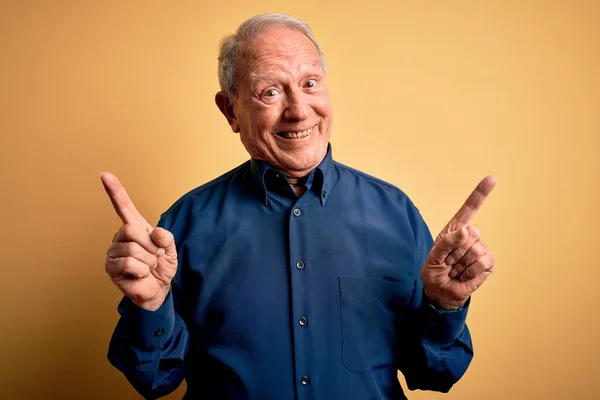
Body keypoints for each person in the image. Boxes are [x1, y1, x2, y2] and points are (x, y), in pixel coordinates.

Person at [101, 13, 496, 400]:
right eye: (270, 92)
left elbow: (435, 374)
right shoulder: (183, 225)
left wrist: (444, 305)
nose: (299, 110)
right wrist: (150, 305)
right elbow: (154, 380)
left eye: (310, 84)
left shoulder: (396, 214)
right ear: (230, 110)